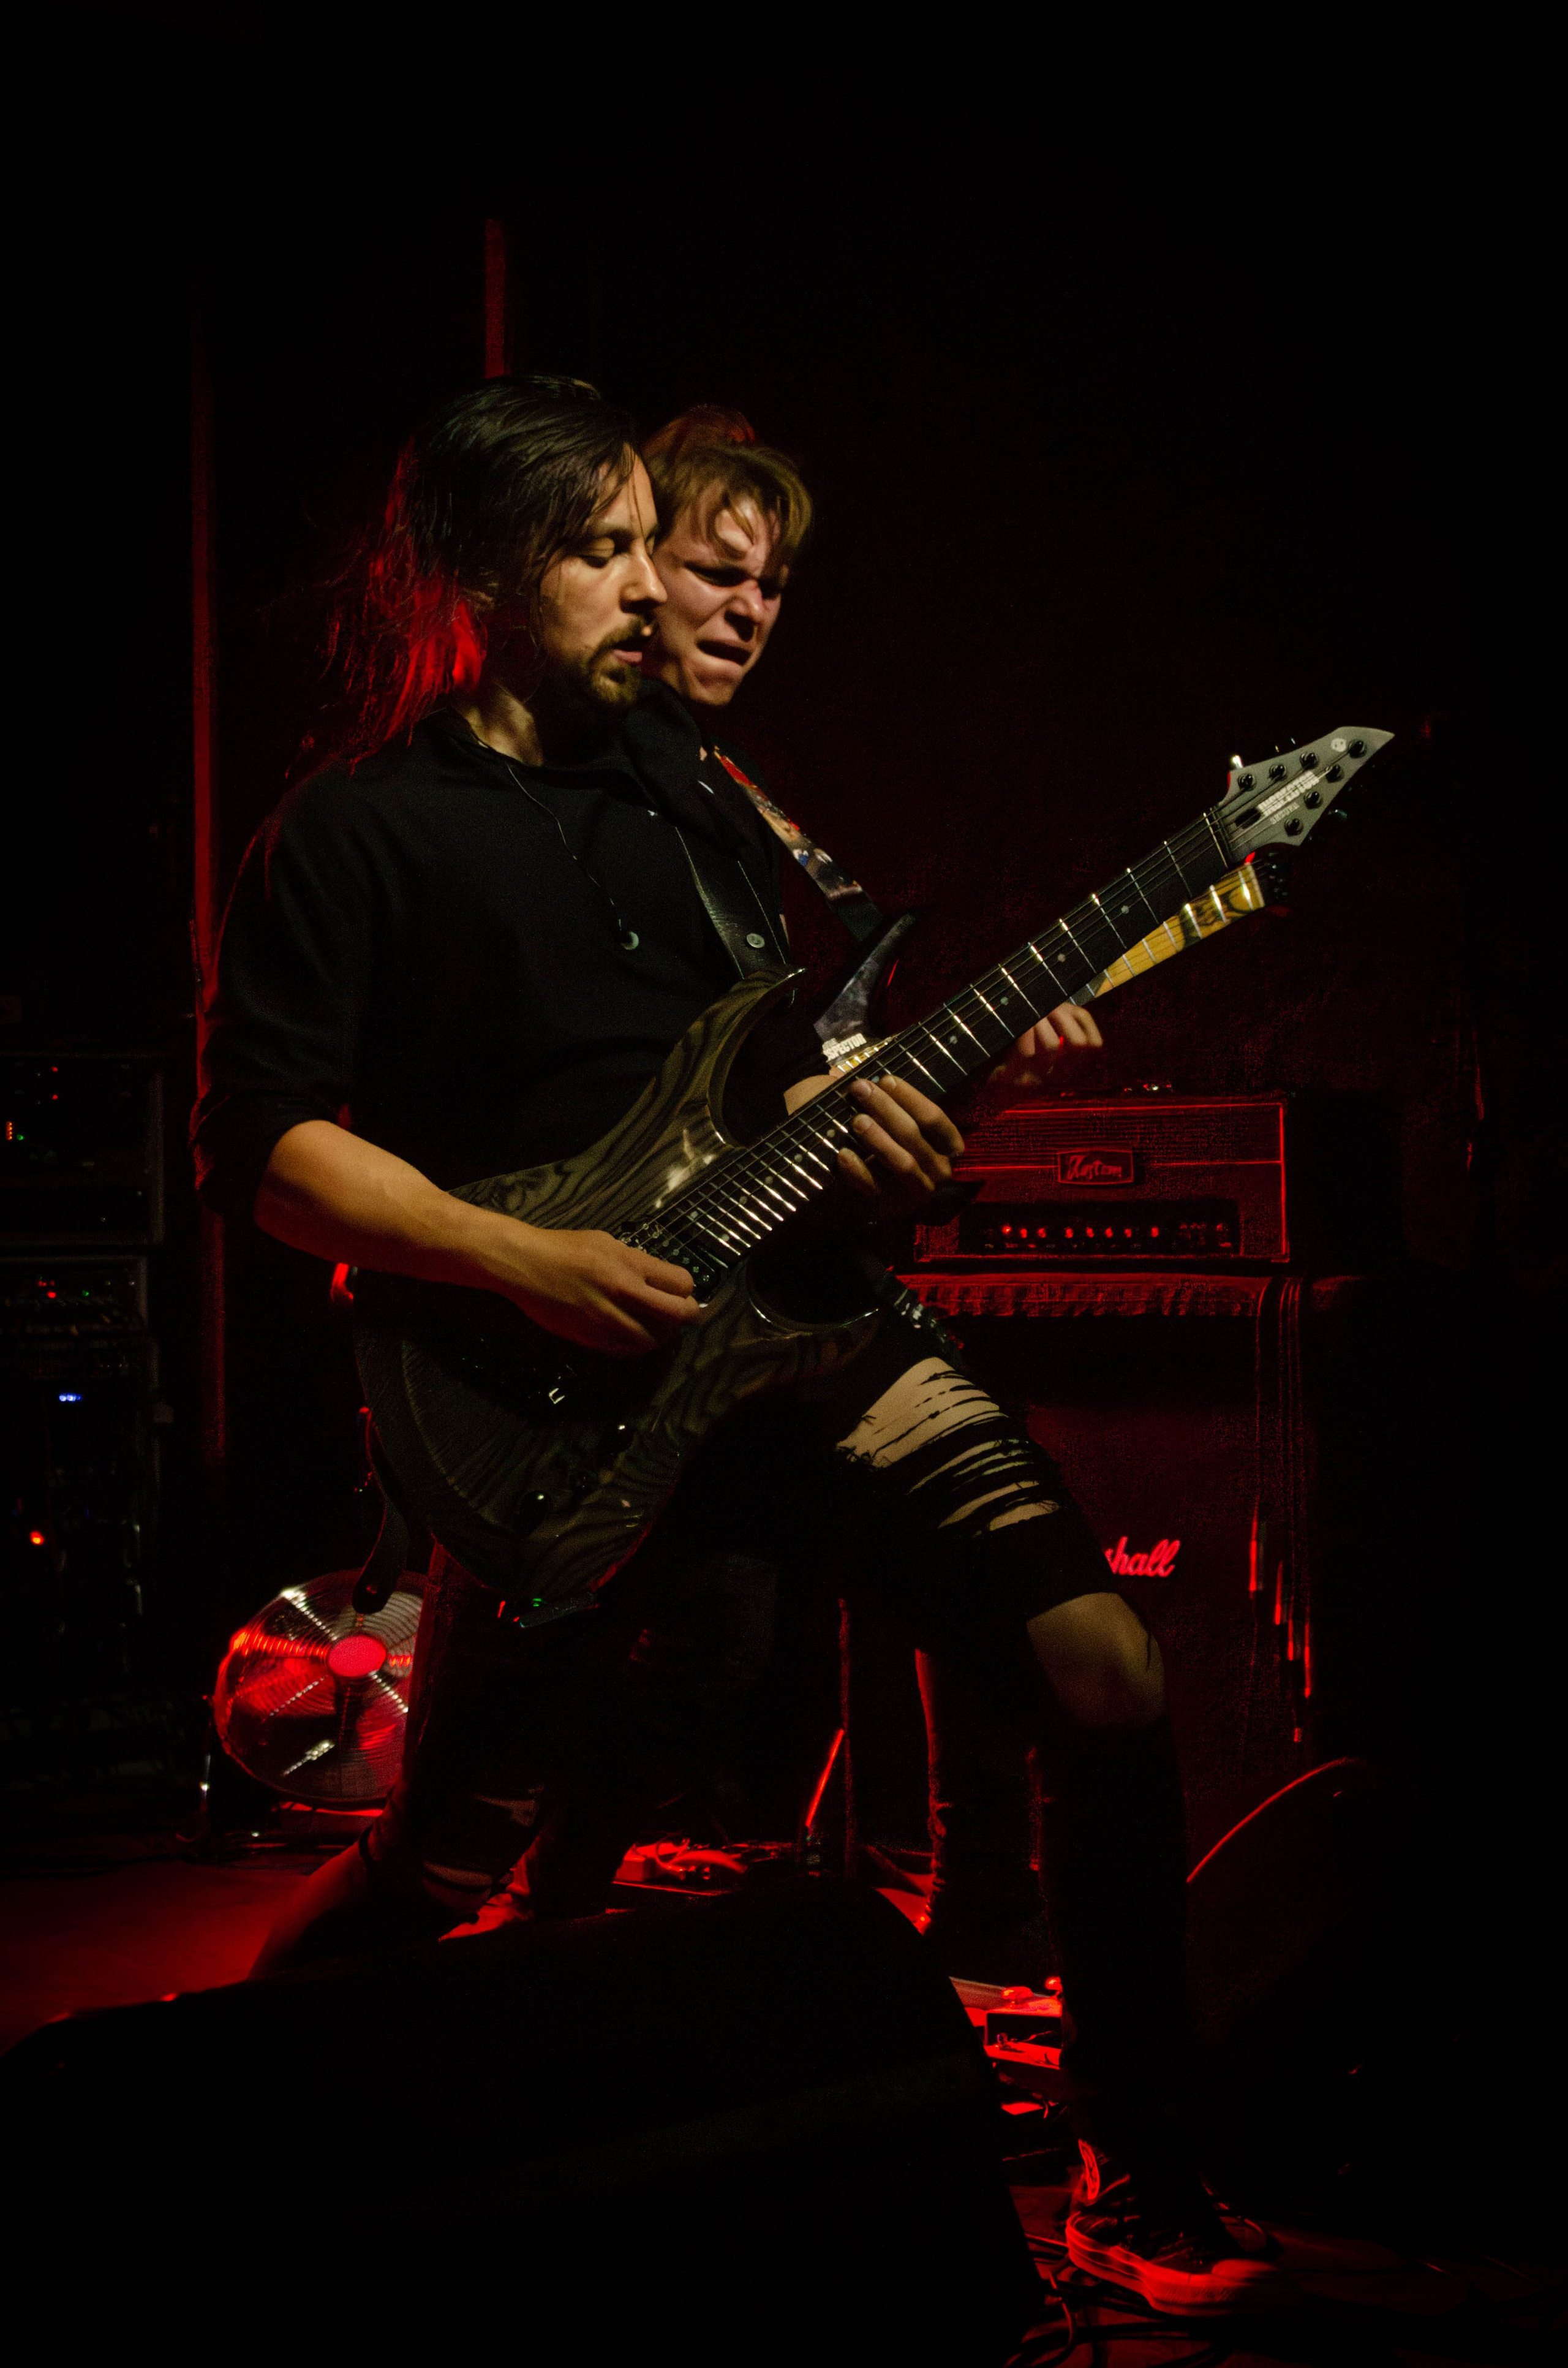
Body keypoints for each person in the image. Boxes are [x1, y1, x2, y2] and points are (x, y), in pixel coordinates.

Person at [194, 376, 1288, 2314]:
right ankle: (216, 2138)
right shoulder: (357, 833)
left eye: (652, 542)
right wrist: (520, 1256)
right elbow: (267, 1151)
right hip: (547, 1386)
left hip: (800, 1331)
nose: (651, 586)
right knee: (441, 1869)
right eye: (604, 547)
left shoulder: (703, 806)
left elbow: (766, 1098)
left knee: (1105, 1665)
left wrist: (905, 1119)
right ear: (473, 571)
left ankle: (1142, 2175)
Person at [632, 405, 1099, 1985]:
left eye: (773, 588)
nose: (750, 611)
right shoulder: (562, 804)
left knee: (1050, 1626)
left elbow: (786, 1089)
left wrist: (974, 1077)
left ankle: (1012, 1977)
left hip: (769, 1312)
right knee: (513, 1831)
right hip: (609, 1333)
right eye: (717, 569)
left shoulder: (736, 814)